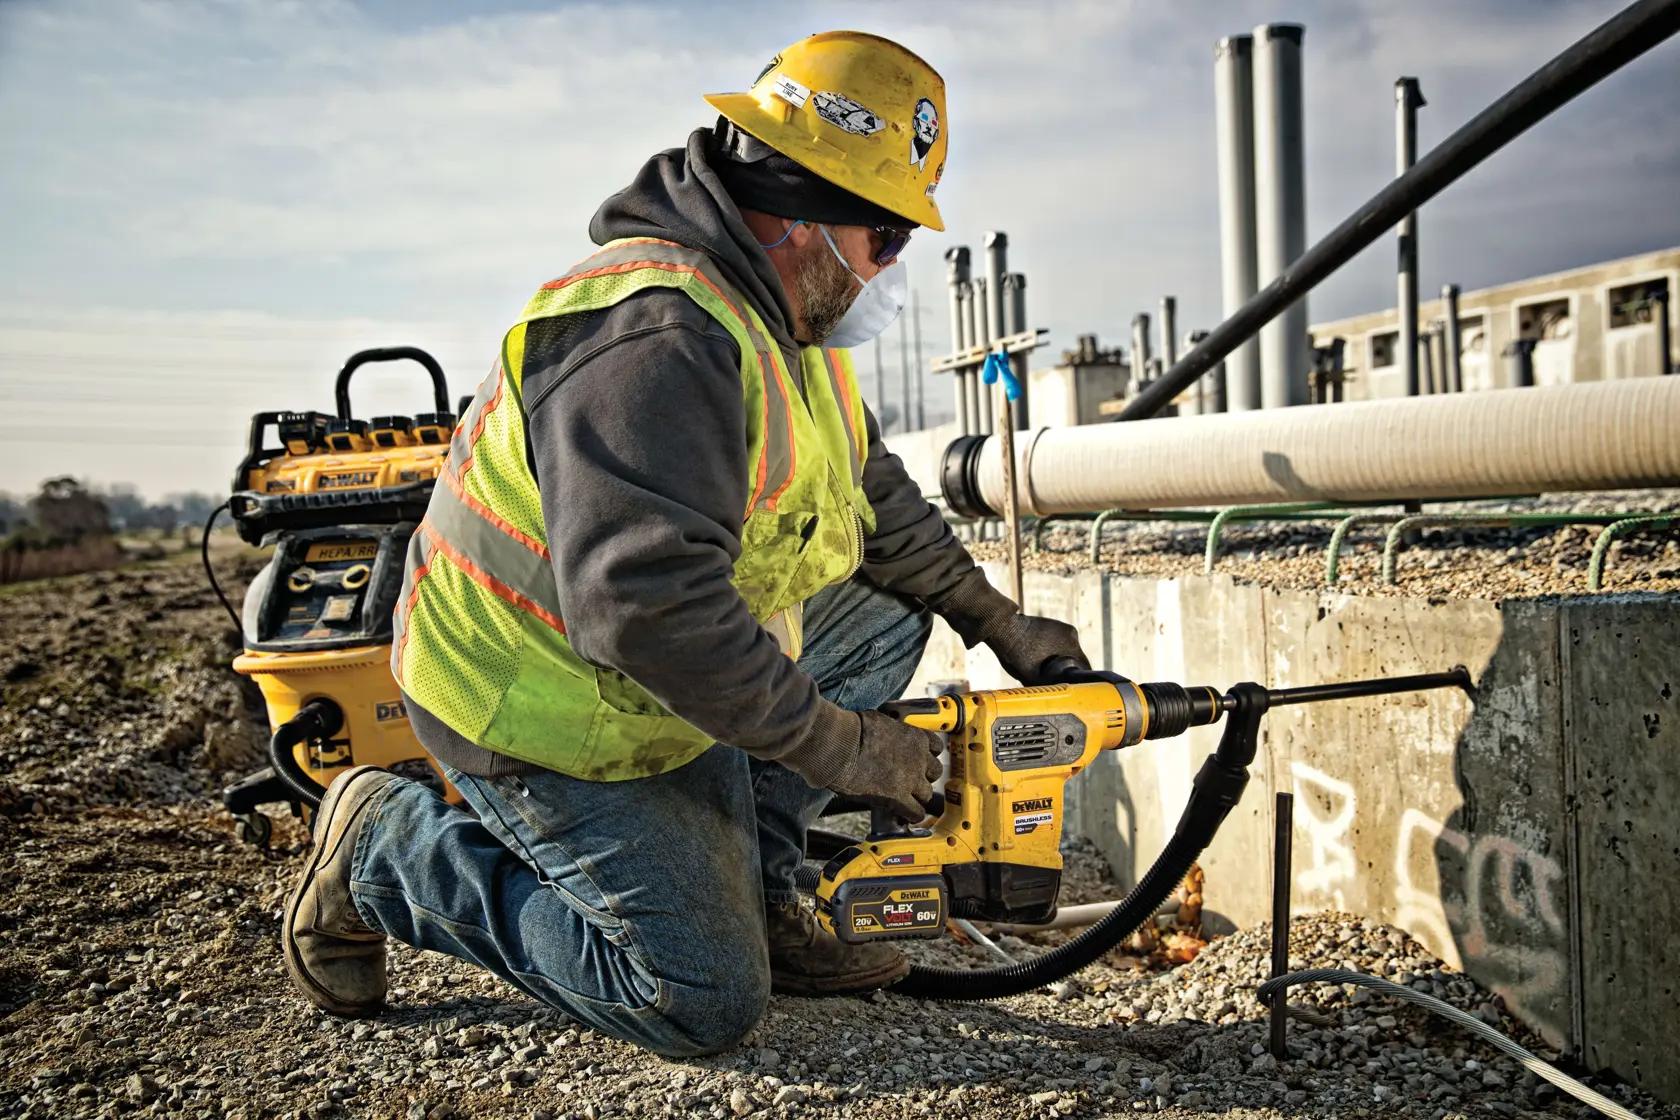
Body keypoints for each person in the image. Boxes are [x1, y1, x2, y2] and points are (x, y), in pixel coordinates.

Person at [280, 30, 1088, 1057]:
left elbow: (872, 497)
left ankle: (766, 888)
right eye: (888, 243)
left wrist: (1001, 624)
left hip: (655, 670)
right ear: (807, 217)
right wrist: (847, 747)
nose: (891, 272)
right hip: (540, 700)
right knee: (696, 995)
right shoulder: (661, 337)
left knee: (886, 613)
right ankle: (388, 850)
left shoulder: (785, 321)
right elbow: (651, 610)